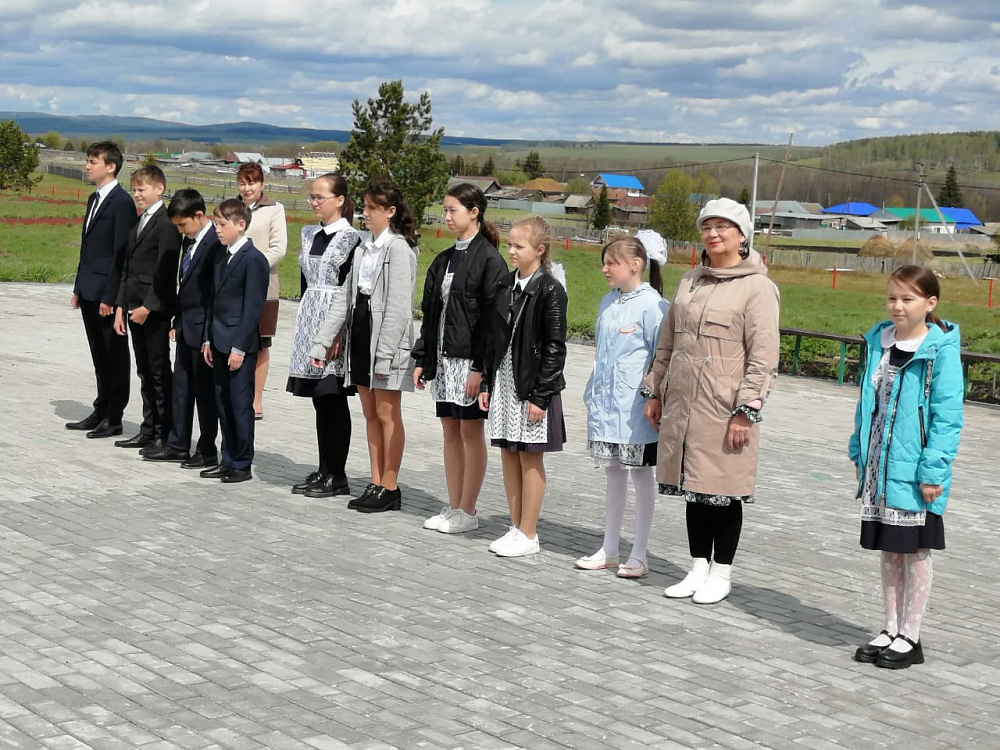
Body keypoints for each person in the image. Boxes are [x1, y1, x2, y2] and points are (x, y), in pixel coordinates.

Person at [644, 197, 780, 604]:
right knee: (694, 487)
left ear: (742, 236)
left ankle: (722, 571)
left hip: (724, 407)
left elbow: (763, 357)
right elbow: (667, 342)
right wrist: (655, 390)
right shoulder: (690, 281)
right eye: (706, 226)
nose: (713, 234)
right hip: (683, 402)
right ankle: (698, 566)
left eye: (722, 227)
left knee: (724, 488)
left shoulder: (758, 287)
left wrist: (745, 412)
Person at [849, 265, 963, 670]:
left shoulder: (939, 350)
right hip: (879, 467)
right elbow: (867, 404)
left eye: (908, 299)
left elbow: (947, 417)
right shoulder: (880, 342)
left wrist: (934, 470)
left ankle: (911, 635)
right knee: (889, 550)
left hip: (915, 470)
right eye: (892, 297)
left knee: (914, 551)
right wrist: (859, 450)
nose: (898, 306)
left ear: (930, 303)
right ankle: (890, 627)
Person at [310, 180, 419, 513]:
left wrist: (385, 355)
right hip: (360, 335)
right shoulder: (362, 247)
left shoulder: (398, 249)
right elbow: (345, 298)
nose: (366, 213)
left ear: (391, 211)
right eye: (365, 207)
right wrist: (322, 342)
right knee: (370, 414)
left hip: (385, 341)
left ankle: (390, 485)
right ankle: (375, 481)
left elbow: (399, 307)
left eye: (373, 208)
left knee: (387, 414)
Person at [413, 184, 507, 534]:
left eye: (453, 210)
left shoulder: (490, 261)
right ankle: (453, 506)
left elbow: (491, 322)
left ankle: (468, 509)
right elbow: (431, 312)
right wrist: (423, 357)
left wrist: (480, 370)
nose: (447, 216)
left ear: (474, 212)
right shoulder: (444, 259)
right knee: (449, 430)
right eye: (446, 209)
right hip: (443, 360)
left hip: (469, 362)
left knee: (470, 431)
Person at [576, 231, 669, 578]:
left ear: (635, 264)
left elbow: (662, 356)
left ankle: (640, 552)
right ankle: (609, 548)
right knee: (613, 473)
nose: (605, 269)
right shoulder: (607, 302)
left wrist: (653, 395)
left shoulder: (654, 306)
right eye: (604, 263)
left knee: (641, 474)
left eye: (612, 263)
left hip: (636, 409)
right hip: (605, 405)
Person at [479, 216, 567, 558]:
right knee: (508, 453)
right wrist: (486, 381)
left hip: (531, 386)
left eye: (519, 246)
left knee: (530, 457)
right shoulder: (505, 285)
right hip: (504, 382)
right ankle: (515, 526)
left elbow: (555, 348)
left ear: (540, 250)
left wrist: (541, 397)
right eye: (510, 244)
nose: (511, 251)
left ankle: (529, 532)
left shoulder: (550, 289)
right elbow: (492, 340)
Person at [286, 174, 361, 498]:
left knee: (333, 398)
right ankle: (323, 468)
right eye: (312, 197)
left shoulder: (352, 239)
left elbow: (351, 289)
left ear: (340, 200)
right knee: (319, 400)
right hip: (310, 318)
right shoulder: (309, 234)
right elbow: (306, 281)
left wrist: (339, 331)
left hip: (335, 322)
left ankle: (338, 474)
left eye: (320, 197)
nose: (314, 203)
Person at [144, 189, 224, 469]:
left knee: (204, 394)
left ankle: (206, 448)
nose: (180, 231)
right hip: (186, 327)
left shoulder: (215, 243)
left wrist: (208, 335)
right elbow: (185, 287)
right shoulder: (189, 242)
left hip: (204, 330)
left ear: (199, 215)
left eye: (183, 224)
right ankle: (177, 444)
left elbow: (213, 294)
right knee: (181, 389)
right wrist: (177, 322)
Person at [66, 141, 138, 439]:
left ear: (111, 166)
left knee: (114, 354)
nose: (87, 166)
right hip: (89, 288)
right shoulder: (93, 199)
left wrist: (111, 296)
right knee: (98, 353)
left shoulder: (121, 202)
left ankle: (114, 415)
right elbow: (89, 248)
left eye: (93, 161)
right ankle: (101, 407)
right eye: (88, 160)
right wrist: (79, 286)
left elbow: (121, 254)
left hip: (107, 294)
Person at [112, 165, 181, 452]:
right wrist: (120, 306)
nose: (137, 194)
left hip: (153, 310)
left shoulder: (167, 223)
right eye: (135, 189)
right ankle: (148, 428)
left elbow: (166, 271)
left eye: (142, 189)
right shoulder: (139, 221)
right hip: (132, 306)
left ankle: (165, 432)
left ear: (159, 189)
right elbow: (127, 268)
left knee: (158, 371)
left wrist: (148, 307)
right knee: (143, 371)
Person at [201, 199, 270, 484]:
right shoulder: (221, 255)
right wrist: (207, 338)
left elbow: (252, 308)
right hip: (218, 339)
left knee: (240, 404)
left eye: (222, 224)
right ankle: (227, 459)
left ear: (241, 225)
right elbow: (213, 300)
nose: (217, 229)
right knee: (223, 403)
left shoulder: (254, 260)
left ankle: (242, 462)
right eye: (215, 223)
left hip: (239, 344)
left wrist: (240, 347)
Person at [237, 162, 288, 420]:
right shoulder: (231, 208)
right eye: (242, 183)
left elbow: (278, 248)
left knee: (260, 343)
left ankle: (256, 399)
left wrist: (251, 266)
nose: (247, 188)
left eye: (252, 182)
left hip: (263, 285)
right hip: (233, 286)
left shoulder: (274, 209)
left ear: (262, 184)